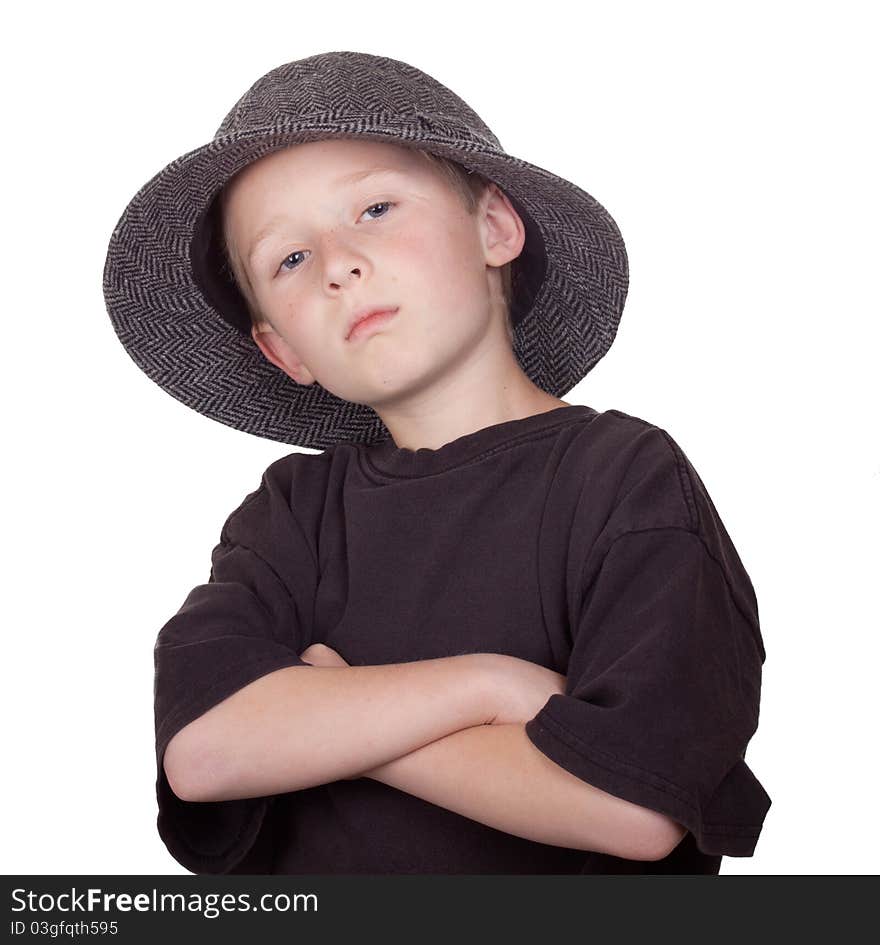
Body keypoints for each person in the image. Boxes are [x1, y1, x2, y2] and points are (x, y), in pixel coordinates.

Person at [103, 51, 771, 874]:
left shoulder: (623, 476)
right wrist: (486, 688)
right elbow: (204, 752)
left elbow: (632, 804)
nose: (339, 262)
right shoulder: (290, 513)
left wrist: (335, 720)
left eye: (376, 207)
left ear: (494, 228)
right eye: (289, 259)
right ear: (284, 351)